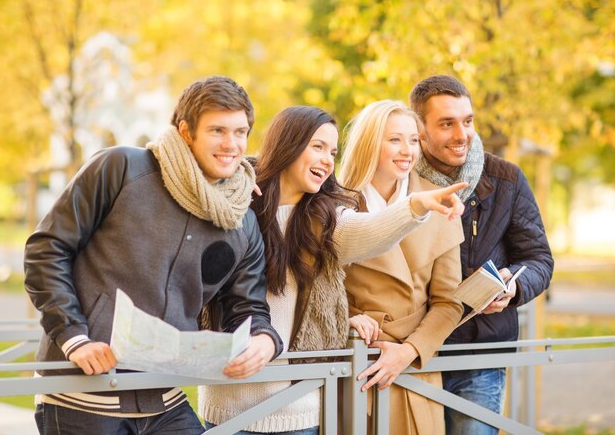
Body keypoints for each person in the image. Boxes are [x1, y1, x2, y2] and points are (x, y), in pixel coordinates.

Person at [24, 75, 283, 434]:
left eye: (240, 132)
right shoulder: (120, 168)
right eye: (217, 131)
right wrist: (73, 336)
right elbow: (47, 249)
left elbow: (247, 307)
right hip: (82, 396)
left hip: (166, 400)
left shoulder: (242, 219)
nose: (231, 144)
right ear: (185, 132)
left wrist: (264, 339)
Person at [198, 105, 467, 434]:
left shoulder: (327, 222)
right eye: (318, 147)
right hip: (227, 403)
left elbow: (373, 230)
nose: (327, 159)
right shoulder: (233, 204)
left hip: (296, 409)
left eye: (333, 151)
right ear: (289, 144)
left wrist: (417, 205)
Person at [409, 75, 554, 434]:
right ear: (420, 129)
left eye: (468, 121)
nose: (462, 134)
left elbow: (539, 259)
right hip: (409, 354)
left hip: (479, 357)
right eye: (447, 123)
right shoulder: (399, 178)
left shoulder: (506, 178)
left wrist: (513, 286)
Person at [338, 100, 464, 434]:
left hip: (414, 365)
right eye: (395, 139)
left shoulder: (440, 200)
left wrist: (408, 352)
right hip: (356, 360)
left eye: (412, 140)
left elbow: (449, 301)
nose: (407, 150)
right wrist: (345, 316)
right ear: (369, 142)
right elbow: (316, 284)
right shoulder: (335, 202)